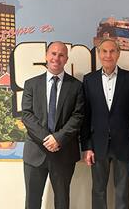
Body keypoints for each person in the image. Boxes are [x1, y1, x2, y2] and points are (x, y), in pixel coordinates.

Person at [80, 38, 129, 209]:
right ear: (99, 54)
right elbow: (86, 116)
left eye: (112, 51)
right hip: (98, 146)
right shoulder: (89, 80)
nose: (108, 55)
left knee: (122, 192)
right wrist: (87, 146)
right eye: (104, 51)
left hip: (125, 146)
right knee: (98, 191)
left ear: (118, 54)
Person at [22, 41, 84, 209]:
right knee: (32, 201)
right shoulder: (31, 84)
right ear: (46, 56)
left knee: (62, 202)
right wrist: (46, 138)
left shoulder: (76, 86)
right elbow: (27, 115)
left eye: (61, 55)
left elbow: (78, 116)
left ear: (66, 59)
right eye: (53, 53)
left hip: (63, 152)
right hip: (35, 153)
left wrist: (58, 138)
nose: (57, 58)